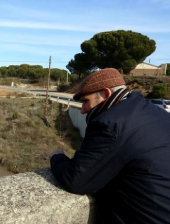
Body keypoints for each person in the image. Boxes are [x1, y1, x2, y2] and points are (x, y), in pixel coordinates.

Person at [50, 68, 170, 223]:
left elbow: (76, 180)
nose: (83, 110)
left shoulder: (109, 123)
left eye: (86, 101)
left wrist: (57, 157)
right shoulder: (156, 113)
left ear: (106, 94)